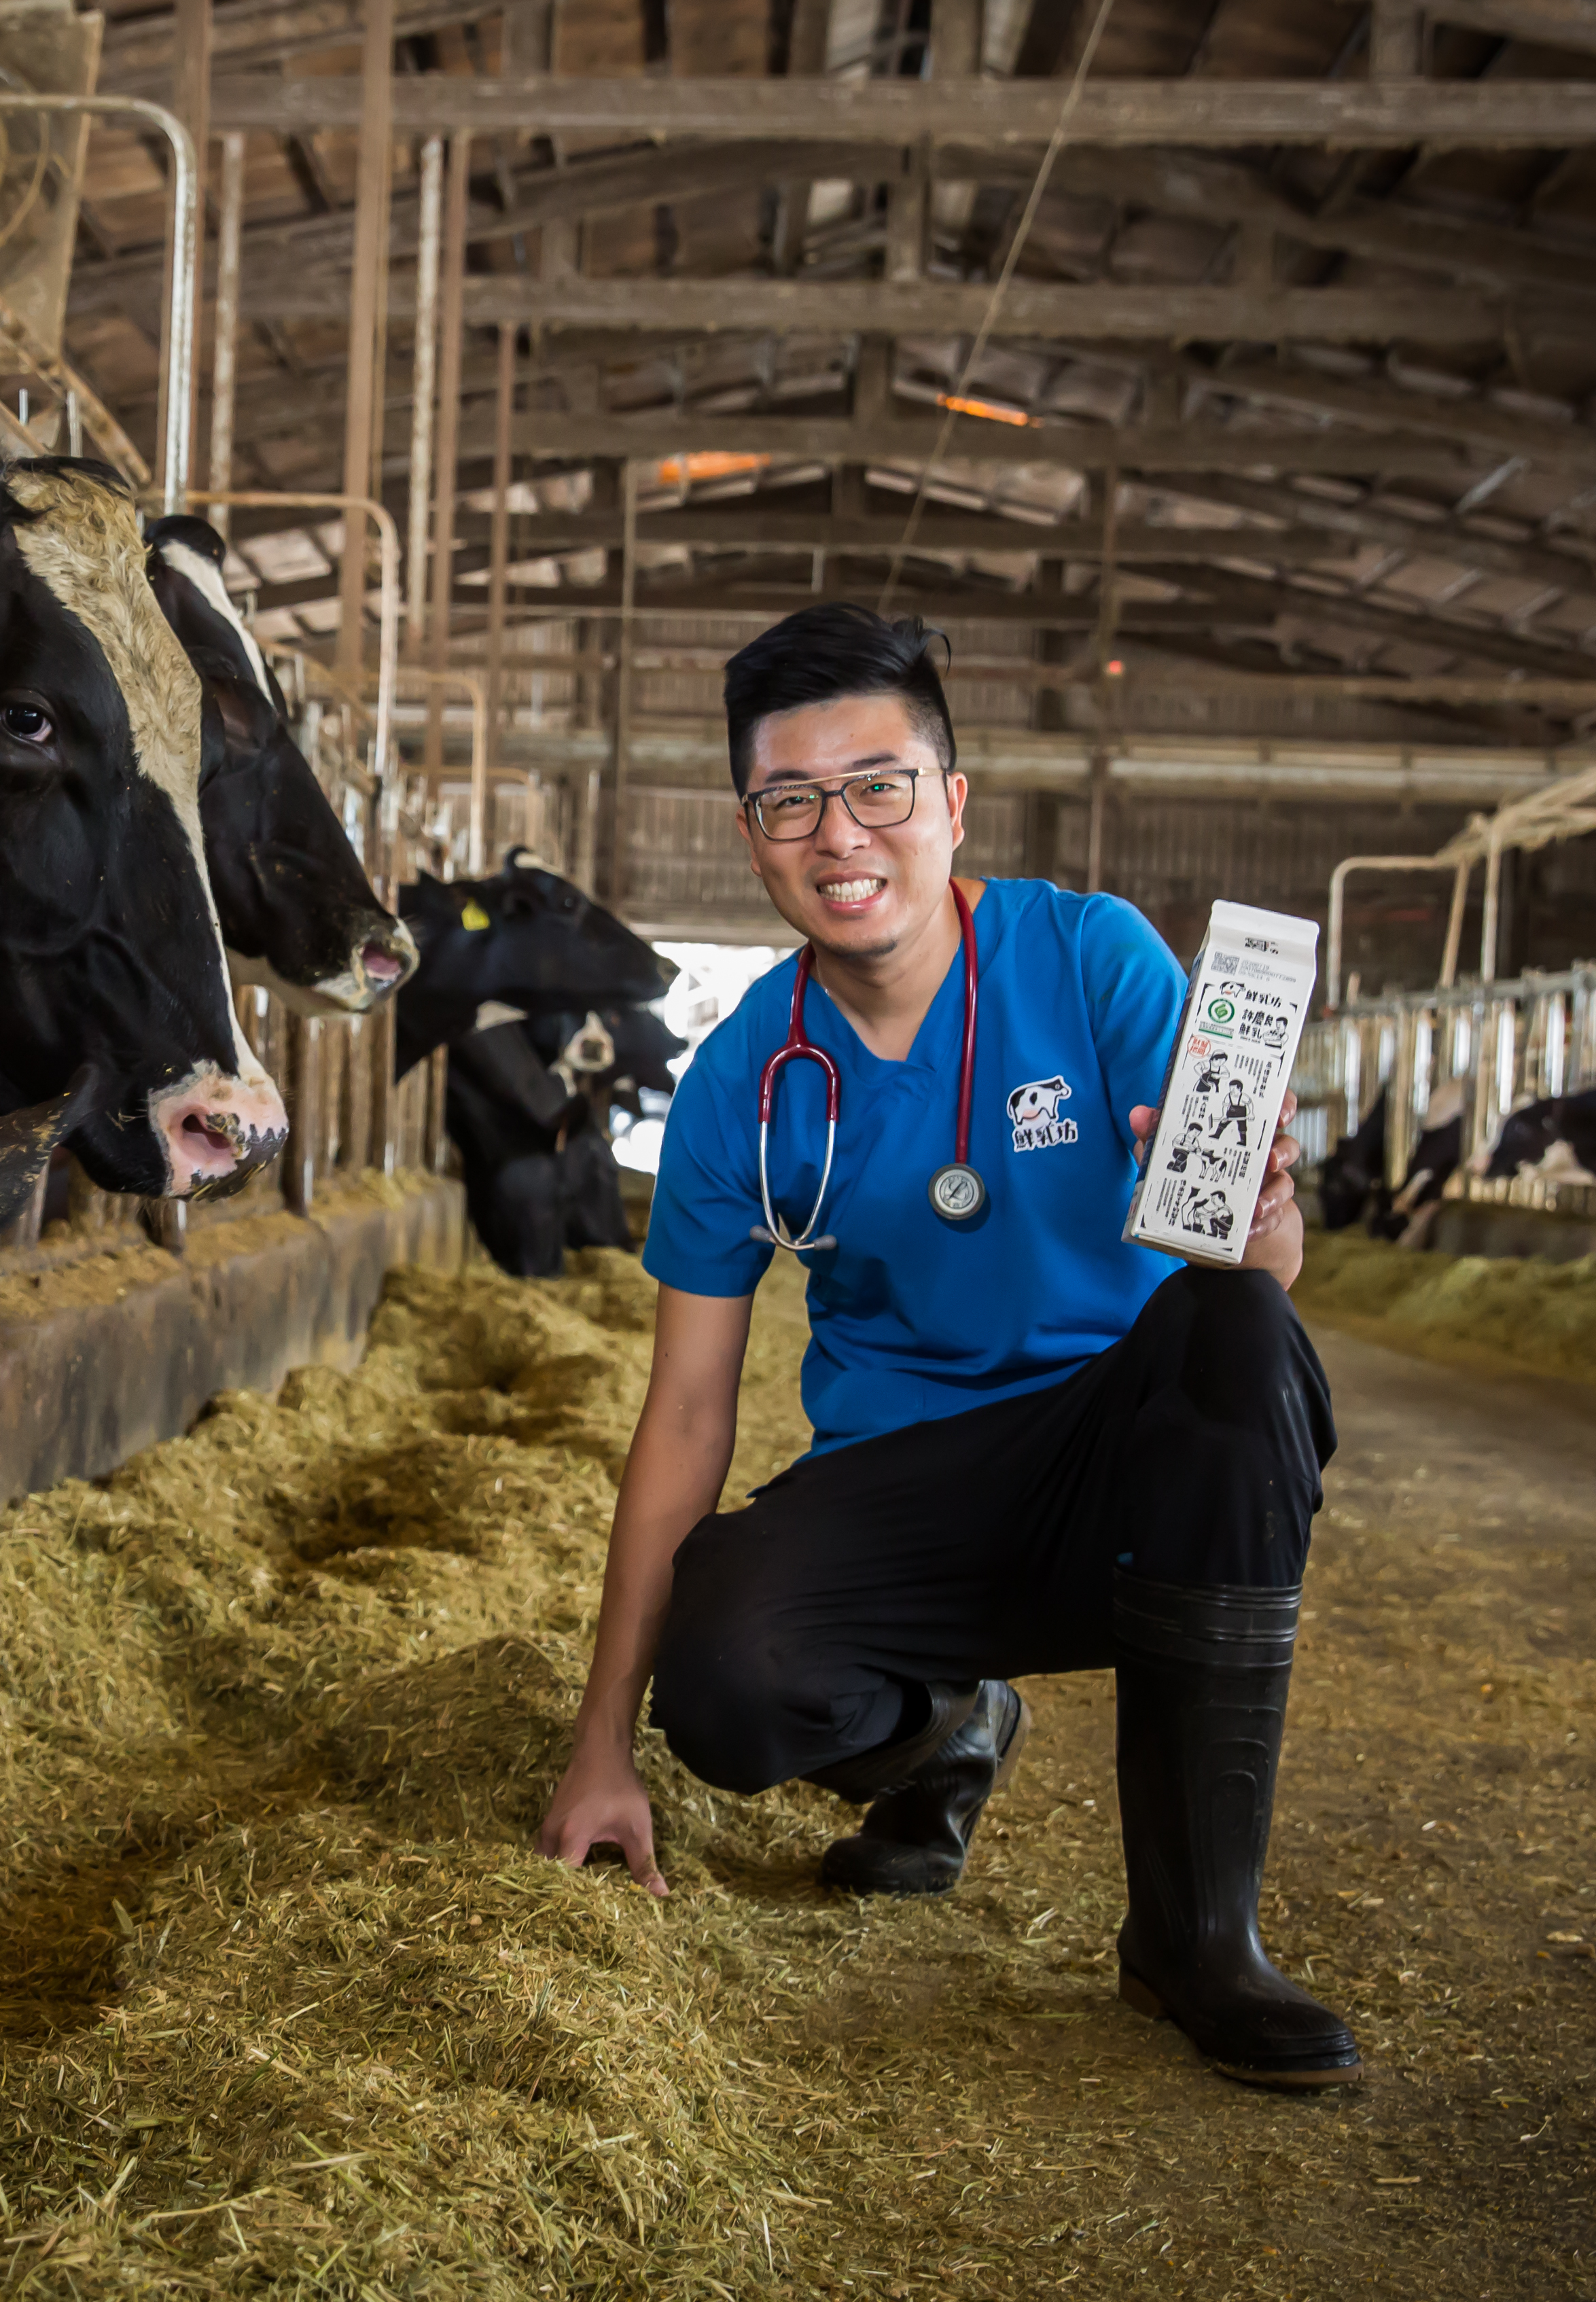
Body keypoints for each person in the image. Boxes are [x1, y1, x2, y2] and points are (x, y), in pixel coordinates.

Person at [529, 603, 1354, 2089]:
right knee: (724, 1674)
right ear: (749, 830)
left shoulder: (1089, 958)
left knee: (1232, 1318)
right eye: (790, 800)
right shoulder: (741, 1081)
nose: (837, 834)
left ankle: (1194, 1938)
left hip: (1123, 1464)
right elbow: (683, 1419)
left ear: (948, 803)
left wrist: (1257, 1226)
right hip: (904, 1482)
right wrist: (603, 1745)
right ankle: (945, 1733)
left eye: (878, 787)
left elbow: (1260, 1280)